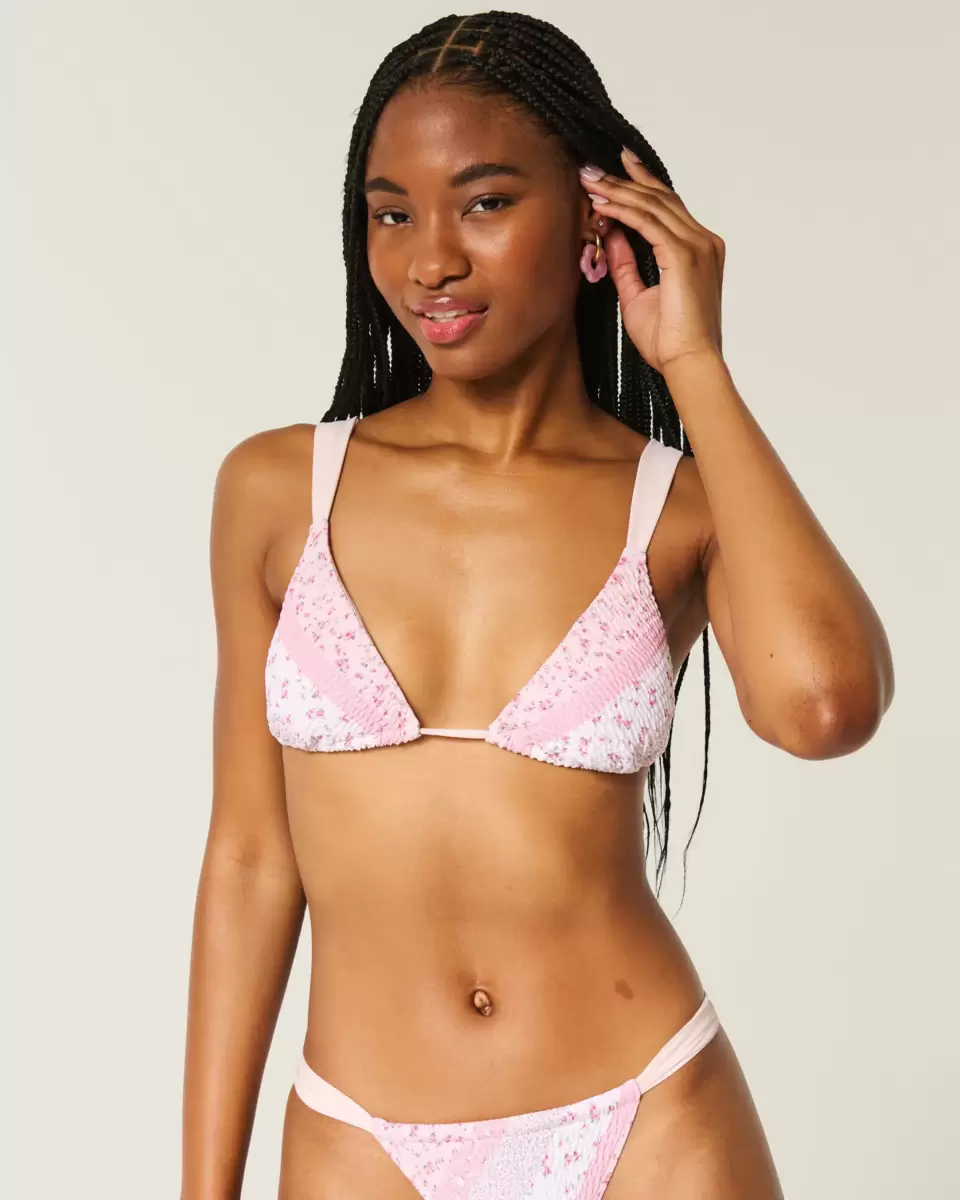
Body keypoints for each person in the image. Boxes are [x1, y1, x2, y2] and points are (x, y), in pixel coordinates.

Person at [181, 11, 894, 1199]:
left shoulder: (678, 508)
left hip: (653, 1117)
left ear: (592, 220)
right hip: (360, 1136)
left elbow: (824, 707)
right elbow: (252, 858)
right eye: (391, 214)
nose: (431, 261)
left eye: (485, 203)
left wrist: (696, 365)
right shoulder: (276, 491)